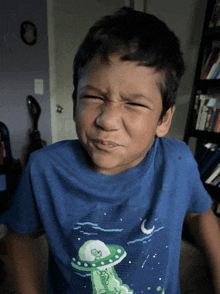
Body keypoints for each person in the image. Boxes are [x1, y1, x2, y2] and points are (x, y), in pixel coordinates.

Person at [1, 6, 220, 294]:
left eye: (134, 103)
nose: (107, 120)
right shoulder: (44, 168)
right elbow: (19, 236)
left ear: (164, 119)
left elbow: (199, 214)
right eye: (92, 97)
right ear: (75, 99)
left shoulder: (178, 162)